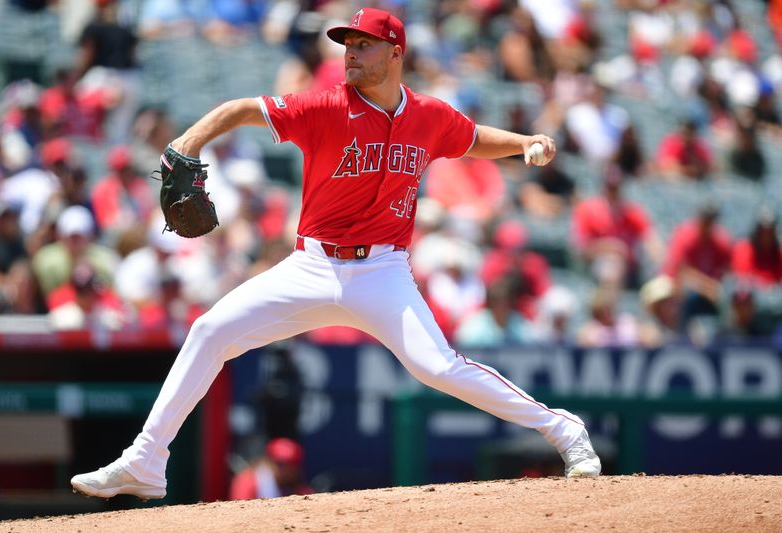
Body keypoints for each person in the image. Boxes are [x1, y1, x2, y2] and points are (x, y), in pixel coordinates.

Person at [70, 7, 600, 501]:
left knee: (439, 368)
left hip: (383, 272)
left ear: (395, 53)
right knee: (209, 331)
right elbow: (237, 110)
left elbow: (470, 137)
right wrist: (186, 143)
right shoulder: (324, 105)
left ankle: (565, 429)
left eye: (364, 45)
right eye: (347, 44)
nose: (350, 53)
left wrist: (524, 139)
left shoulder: (428, 116)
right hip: (312, 265)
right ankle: (145, 461)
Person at [229, 438, 313, 500]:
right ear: (269, 461)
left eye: (291, 465)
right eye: (280, 464)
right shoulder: (247, 481)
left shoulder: (300, 489)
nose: (285, 470)